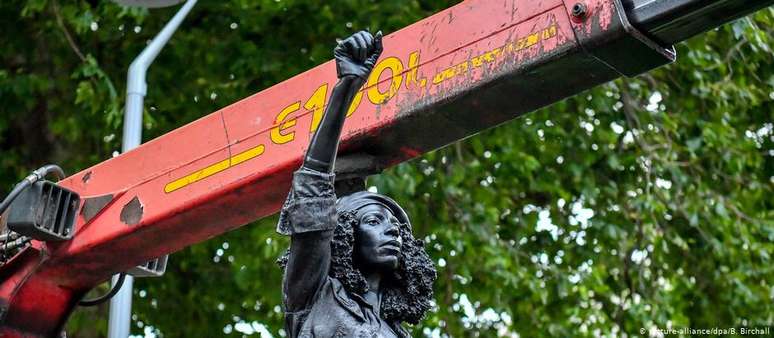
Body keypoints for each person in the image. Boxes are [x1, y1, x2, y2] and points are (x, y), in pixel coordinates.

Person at [276, 30, 437, 337]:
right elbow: (313, 186)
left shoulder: (397, 332)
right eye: (375, 221)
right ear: (345, 235)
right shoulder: (315, 296)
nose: (393, 231)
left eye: (397, 227)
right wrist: (347, 87)